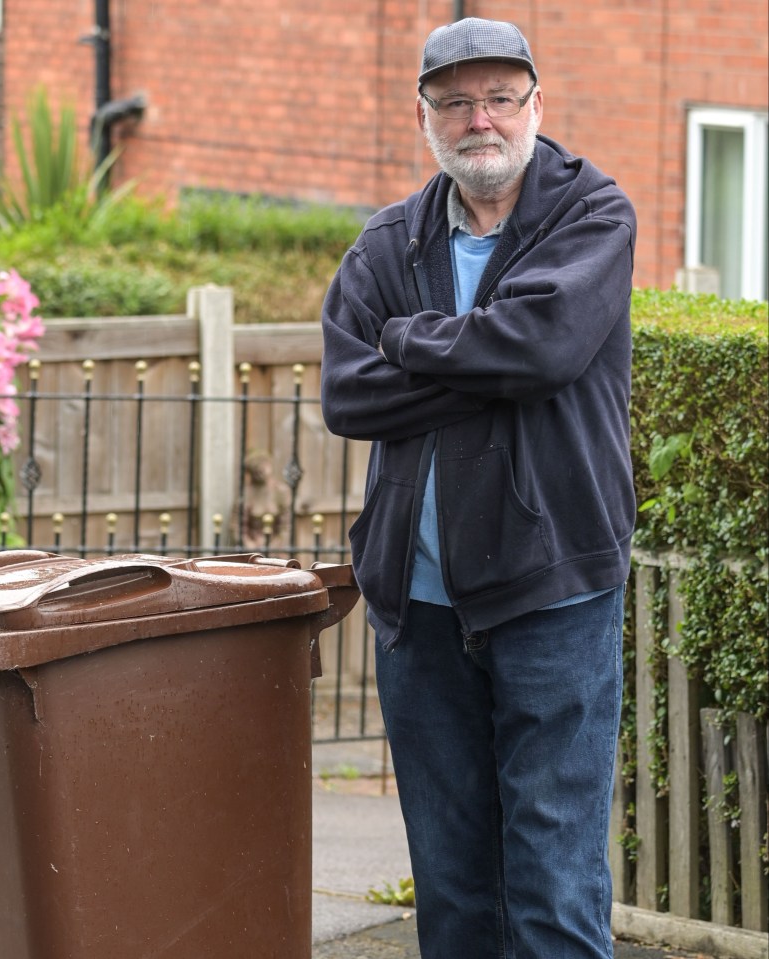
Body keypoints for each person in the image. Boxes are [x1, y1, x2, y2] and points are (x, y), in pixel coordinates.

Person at [320, 16, 637, 959]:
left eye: (500, 97)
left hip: (554, 592)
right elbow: (346, 389)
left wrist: (411, 342)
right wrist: (484, 359)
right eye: (455, 101)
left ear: (537, 105)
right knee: (454, 886)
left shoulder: (592, 216)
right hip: (417, 609)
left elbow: (542, 347)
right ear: (423, 116)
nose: (480, 119)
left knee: (550, 878)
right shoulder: (388, 244)